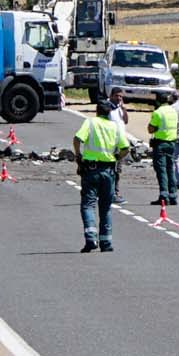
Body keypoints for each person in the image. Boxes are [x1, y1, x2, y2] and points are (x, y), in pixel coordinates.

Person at [75, 94, 131, 252]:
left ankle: (91, 238)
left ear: (97, 111)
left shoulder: (90, 122)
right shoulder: (115, 127)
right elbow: (126, 148)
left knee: (88, 204)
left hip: (91, 170)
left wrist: (78, 155)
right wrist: (115, 157)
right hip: (108, 170)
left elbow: (77, 138)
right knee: (105, 207)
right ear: (109, 113)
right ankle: (106, 243)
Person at [148, 90, 179, 205]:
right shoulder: (174, 111)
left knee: (161, 170)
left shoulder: (158, 112)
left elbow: (150, 129)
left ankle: (164, 195)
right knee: (170, 169)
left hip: (160, 143)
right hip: (172, 143)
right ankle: (173, 194)